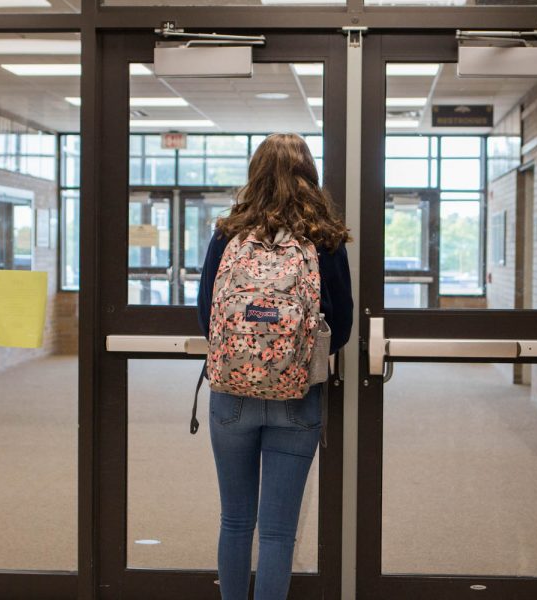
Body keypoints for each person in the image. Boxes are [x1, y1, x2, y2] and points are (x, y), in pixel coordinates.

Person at [197, 133, 353, 600]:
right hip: (298, 396)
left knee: (236, 519)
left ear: (255, 174)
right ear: (309, 175)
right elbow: (340, 327)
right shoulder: (324, 239)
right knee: (278, 532)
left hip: (231, 396)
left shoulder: (228, 233)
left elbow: (207, 313)